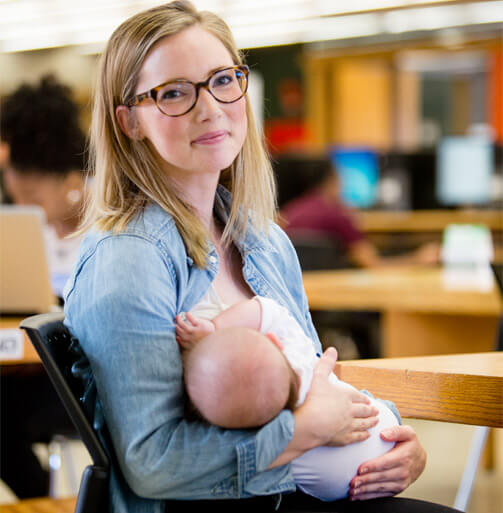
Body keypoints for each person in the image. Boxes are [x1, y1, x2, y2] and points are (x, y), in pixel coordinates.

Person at [63, 2, 460, 512]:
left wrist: (394, 436)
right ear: (129, 122)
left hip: (304, 494)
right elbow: (153, 464)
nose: (209, 108)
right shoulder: (127, 262)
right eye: (175, 93)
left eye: (223, 80)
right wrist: (301, 431)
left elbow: (317, 373)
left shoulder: (265, 241)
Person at [175, 295, 399, 501]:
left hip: (374, 462)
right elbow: (267, 310)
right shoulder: (294, 350)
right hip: (383, 440)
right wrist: (216, 328)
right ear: (274, 341)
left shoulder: (262, 432)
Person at [0, 76, 87, 499]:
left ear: (70, 179)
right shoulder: (23, 230)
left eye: (32, 192)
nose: (23, 203)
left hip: (81, 373)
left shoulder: (108, 220)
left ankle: (39, 500)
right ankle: (38, 499)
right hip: (27, 368)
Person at [0, 75, 88, 298]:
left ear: (72, 181)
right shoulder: (28, 234)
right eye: (14, 197)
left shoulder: (108, 228)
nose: (23, 209)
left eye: (33, 198)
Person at [279, 160, 440, 269]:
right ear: (332, 181)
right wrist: (418, 259)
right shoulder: (336, 215)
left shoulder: (290, 212)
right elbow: (374, 265)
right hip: (340, 302)